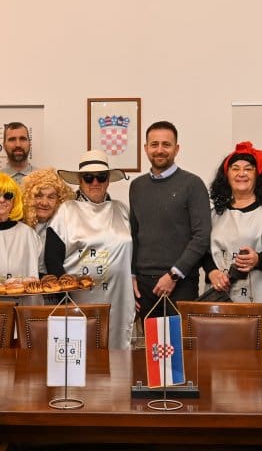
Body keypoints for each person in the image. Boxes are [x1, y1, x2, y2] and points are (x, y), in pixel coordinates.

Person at [43, 150, 134, 349]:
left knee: (117, 354)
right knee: (80, 353)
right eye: (88, 177)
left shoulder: (122, 210)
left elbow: (136, 252)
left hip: (119, 300)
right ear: (80, 181)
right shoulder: (67, 211)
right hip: (78, 301)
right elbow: (52, 259)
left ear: (108, 180)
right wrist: (65, 295)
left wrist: (135, 283)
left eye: (101, 177)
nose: (95, 182)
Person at [129, 121, 212, 321]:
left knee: (179, 341)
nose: (160, 150)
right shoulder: (137, 186)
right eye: (154, 144)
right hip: (144, 287)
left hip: (180, 284)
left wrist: (173, 275)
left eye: (166, 144)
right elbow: (134, 235)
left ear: (176, 149)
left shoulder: (193, 184)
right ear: (146, 148)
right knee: (150, 341)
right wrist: (131, 276)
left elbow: (201, 237)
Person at [203, 141, 262, 305]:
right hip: (219, 298)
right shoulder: (215, 214)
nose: (241, 174)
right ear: (226, 175)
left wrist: (259, 260)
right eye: (235, 169)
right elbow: (202, 249)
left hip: (261, 296)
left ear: (258, 175)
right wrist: (212, 271)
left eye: (248, 169)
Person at [20, 167, 73, 242]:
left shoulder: (66, 231)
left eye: (51, 197)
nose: (44, 203)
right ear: (28, 198)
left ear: (59, 201)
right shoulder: (16, 227)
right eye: (38, 196)